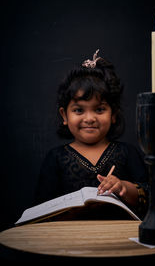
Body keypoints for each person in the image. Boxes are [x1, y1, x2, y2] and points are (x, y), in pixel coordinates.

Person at [34, 49, 148, 219]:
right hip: (69, 241)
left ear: (114, 114)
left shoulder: (127, 153)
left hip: (120, 238)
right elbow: (40, 210)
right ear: (65, 115)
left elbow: (149, 197)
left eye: (100, 109)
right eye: (79, 110)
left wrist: (123, 187)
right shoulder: (55, 158)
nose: (89, 118)